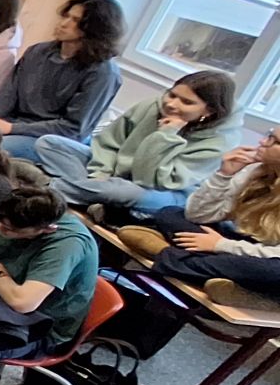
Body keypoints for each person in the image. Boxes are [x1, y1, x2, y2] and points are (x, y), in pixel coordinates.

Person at [35, 71, 236, 217]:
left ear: (208, 111)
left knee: (121, 190)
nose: (171, 104)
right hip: (116, 173)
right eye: (172, 94)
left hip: (164, 191)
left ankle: (44, 190)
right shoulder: (151, 106)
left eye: (186, 102)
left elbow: (152, 180)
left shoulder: (218, 143)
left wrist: (165, 135)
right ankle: (94, 198)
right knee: (49, 144)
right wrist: (100, 173)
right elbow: (108, 143)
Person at [120, 126, 280, 309]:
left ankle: (165, 255)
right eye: (268, 136)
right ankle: (234, 284)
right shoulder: (255, 170)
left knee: (274, 271)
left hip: (268, 261)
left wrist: (220, 245)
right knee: (171, 214)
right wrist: (224, 175)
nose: (262, 142)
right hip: (244, 246)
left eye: (274, 141)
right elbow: (197, 215)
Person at [0, 184, 99, 356]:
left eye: (9, 230)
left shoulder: (67, 245)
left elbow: (23, 303)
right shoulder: (15, 210)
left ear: (47, 229)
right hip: (0, 296)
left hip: (36, 329)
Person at [0, 0, 126, 161]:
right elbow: (5, 96)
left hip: (50, 141)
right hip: (12, 124)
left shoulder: (103, 74)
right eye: (65, 16)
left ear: (94, 29)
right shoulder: (37, 52)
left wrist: (12, 128)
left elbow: (72, 128)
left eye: (75, 20)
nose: (63, 23)